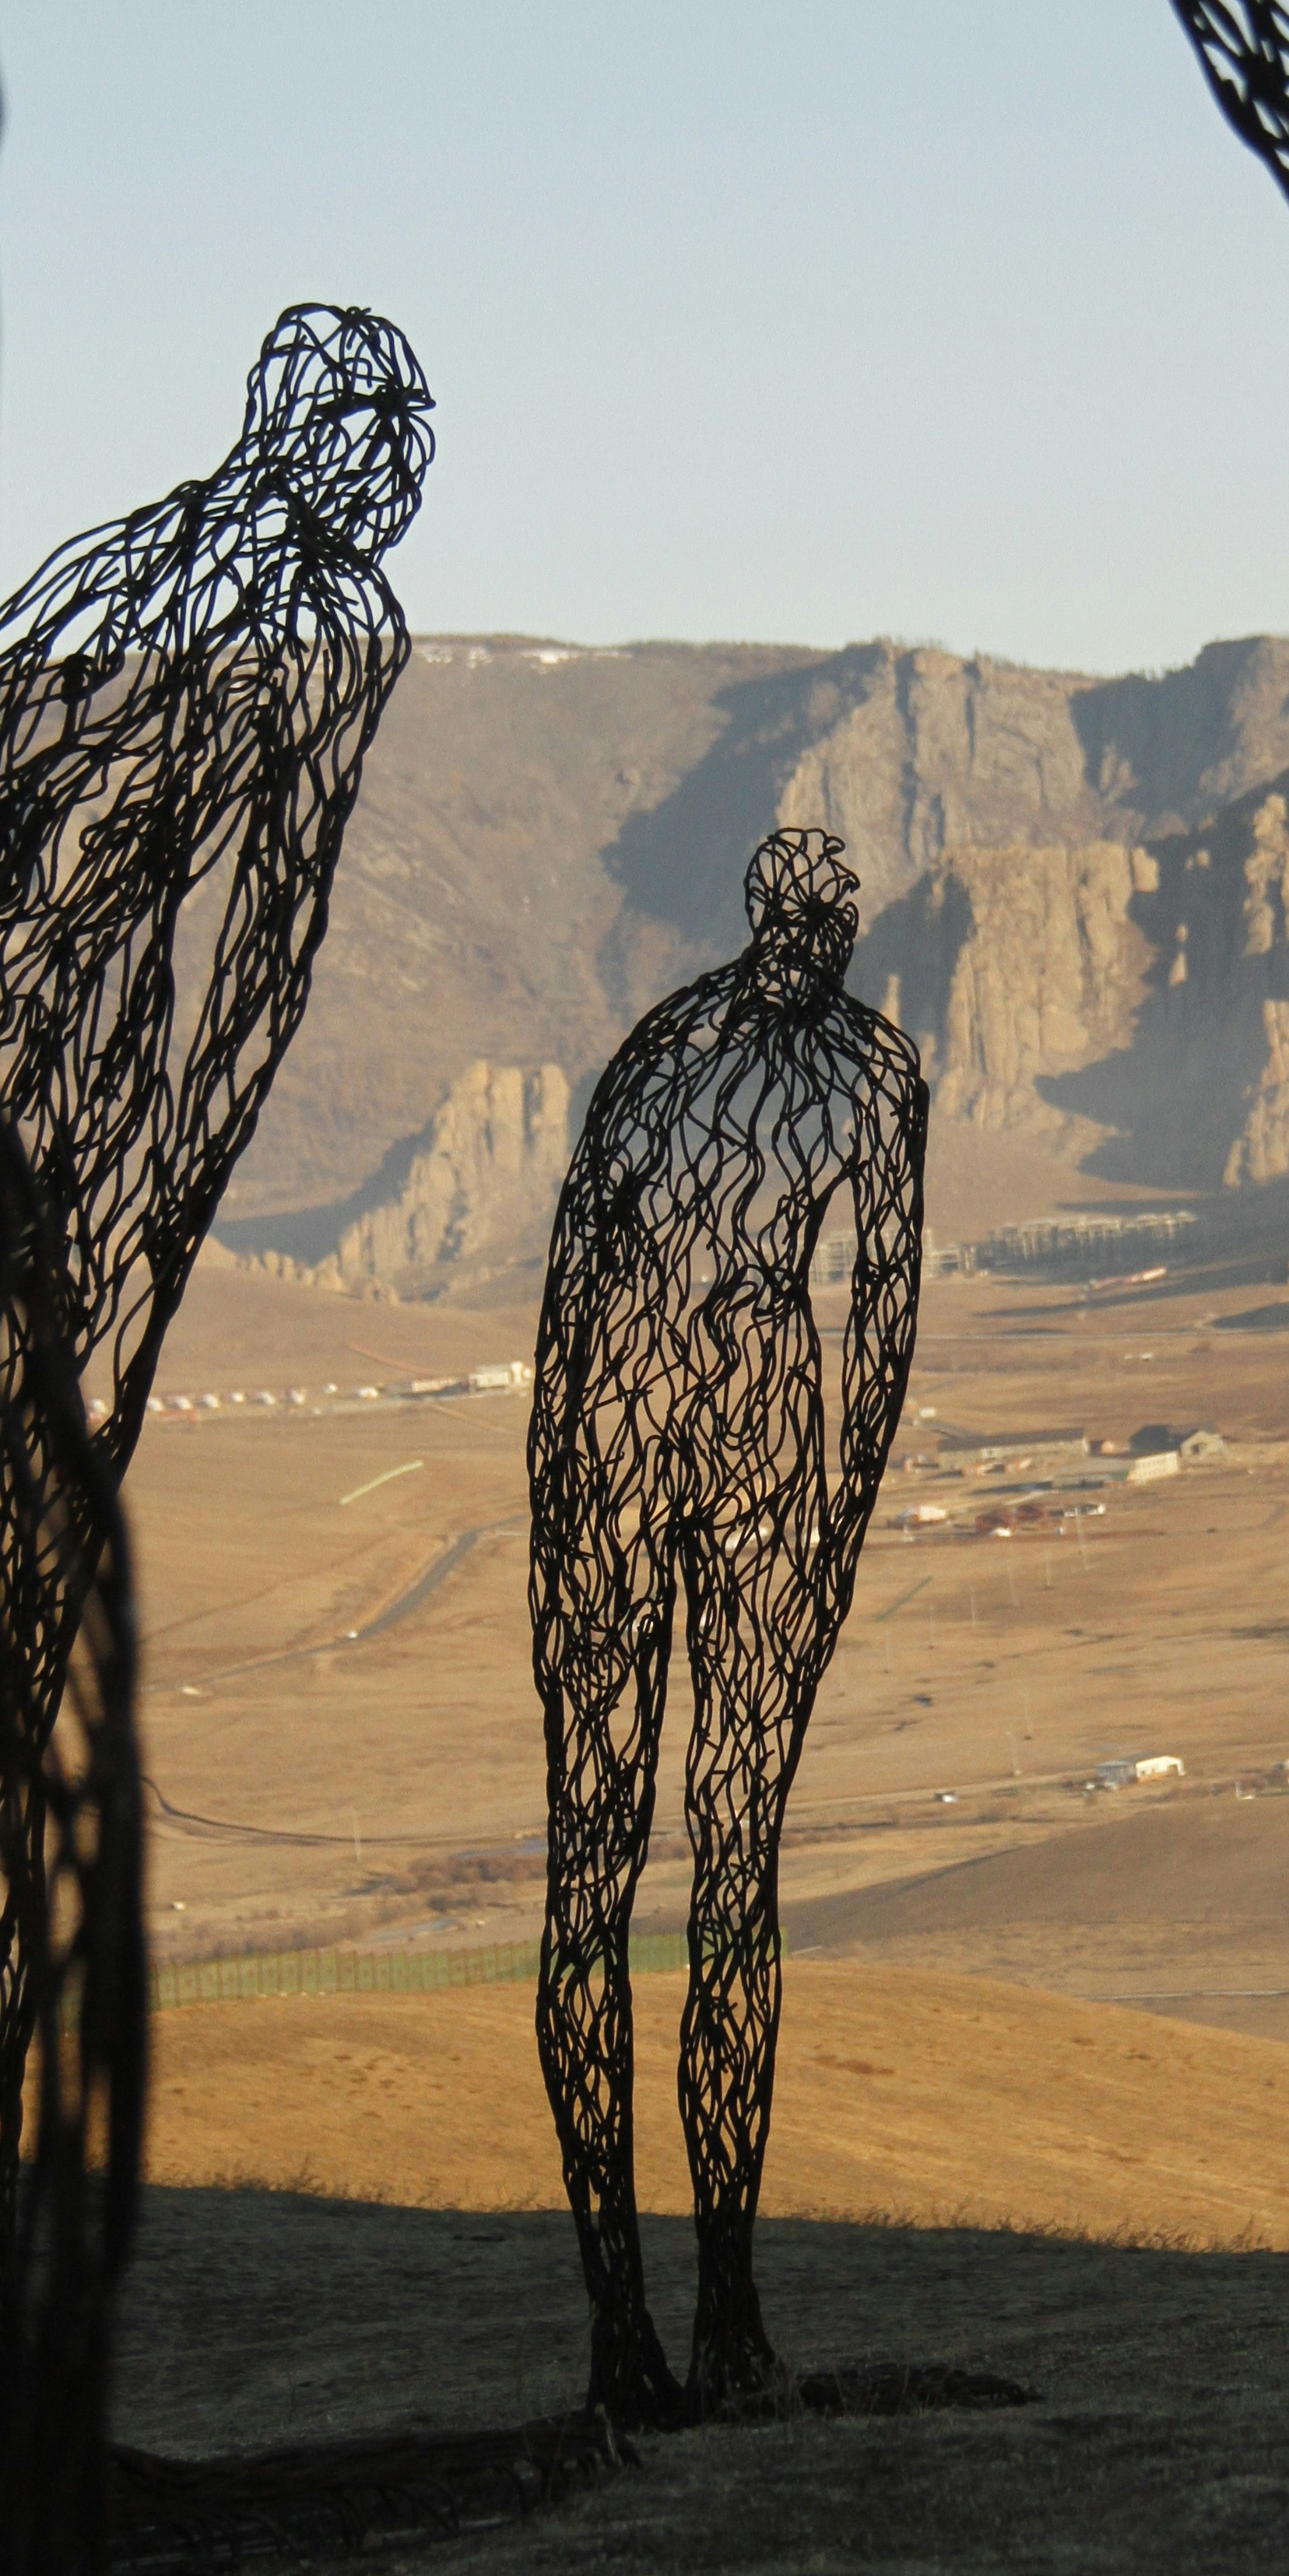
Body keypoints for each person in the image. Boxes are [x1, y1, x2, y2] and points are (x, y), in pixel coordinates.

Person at [528, 826, 927, 2421]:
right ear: (805, 924)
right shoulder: (815, 1062)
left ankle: (677, 2321)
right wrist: (832, 1517)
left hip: (665, 1434)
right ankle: (680, 2321)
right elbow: (879, 1312)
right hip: (704, 1432)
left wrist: (572, 1491)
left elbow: (580, 1289)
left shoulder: (688, 1053)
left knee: (654, 1868)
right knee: (676, 1867)